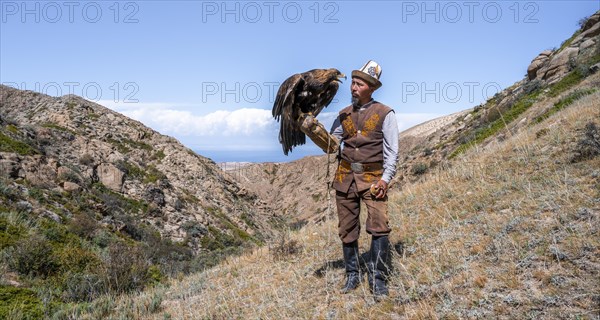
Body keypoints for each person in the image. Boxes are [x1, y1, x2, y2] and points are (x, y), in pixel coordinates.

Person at [329, 60, 399, 298]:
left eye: (359, 84)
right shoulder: (343, 115)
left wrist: (385, 180)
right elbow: (329, 144)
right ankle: (352, 275)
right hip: (345, 177)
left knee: (379, 227)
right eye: (353, 82)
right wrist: (310, 129)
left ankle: (378, 278)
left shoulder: (385, 113)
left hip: (373, 179)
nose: (353, 88)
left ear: (371, 87)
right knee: (347, 229)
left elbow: (392, 152)